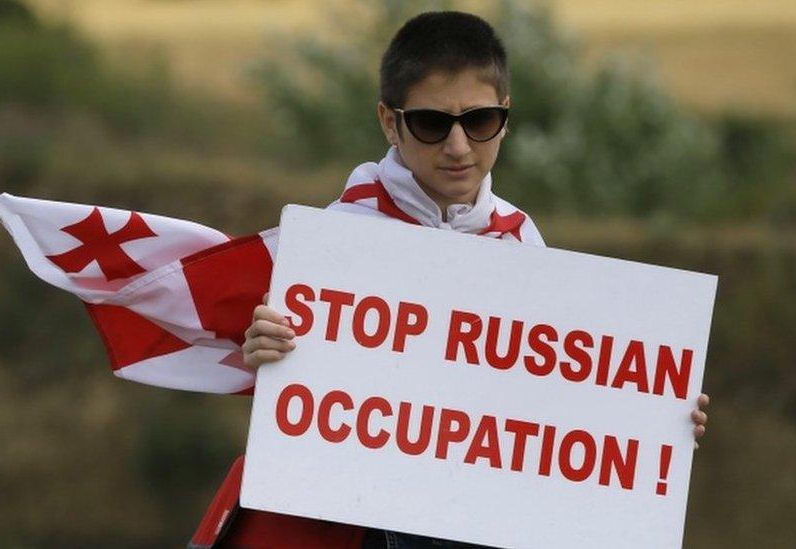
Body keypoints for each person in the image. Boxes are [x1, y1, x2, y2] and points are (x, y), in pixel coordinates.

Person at [201, 10, 709, 549]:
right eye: (431, 123)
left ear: (506, 116)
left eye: (480, 120)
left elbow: (549, 399)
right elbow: (300, 412)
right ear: (388, 121)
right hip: (360, 529)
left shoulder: (522, 240)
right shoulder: (336, 237)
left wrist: (653, 414)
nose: (459, 146)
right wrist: (266, 353)